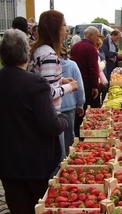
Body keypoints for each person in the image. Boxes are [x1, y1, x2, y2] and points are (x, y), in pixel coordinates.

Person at [0, 29, 69, 214]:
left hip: (7, 164)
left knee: (17, 206)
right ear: (26, 52)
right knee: (39, 206)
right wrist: (63, 119)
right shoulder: (35, 83)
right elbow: (50, 126)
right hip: (36, 163)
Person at [29, 10, 78, 160]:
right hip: (49, 114)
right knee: (57, 159)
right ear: (55, 28)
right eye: (63, 25)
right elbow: (47, 92)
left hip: (41, 112)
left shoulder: (39, 50)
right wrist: (70, 87)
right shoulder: (48, 55)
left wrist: (61, 80)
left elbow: (42, 81)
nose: (66, 29)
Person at [70, 26, 100, 138]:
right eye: (97, 36)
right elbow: (93, 68)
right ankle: (85, 133)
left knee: (78, 107)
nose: (98, 38)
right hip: (87, 82)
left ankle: (76, 131)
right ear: (90, 35)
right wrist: (95, 86)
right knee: (87, 108)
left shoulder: (75, 47)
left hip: (74, 82)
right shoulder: (91, 48)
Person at [60, 47, 85, 155]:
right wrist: (80, 104)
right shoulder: (72, 65)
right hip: (69, 105)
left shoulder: (46, 66)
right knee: (69, 137)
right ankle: (68, 159)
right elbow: (79, 86)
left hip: (52, 106)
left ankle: (59, 163)